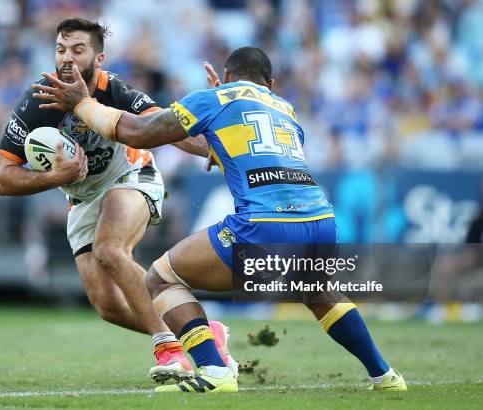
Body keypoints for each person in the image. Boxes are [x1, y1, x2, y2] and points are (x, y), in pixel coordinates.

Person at [32, 46, 408, 393]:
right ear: (270, 83)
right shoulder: (285, 107)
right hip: (322, 221)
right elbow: (247, 141)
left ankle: (214, 369)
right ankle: (385, 375)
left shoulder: (215, 98)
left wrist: (82, 104)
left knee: (161, 278)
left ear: (226, 76)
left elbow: (140, 132)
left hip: (265, 223)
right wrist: (215, 118)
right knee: (317, 291)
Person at [0, 17, 236, 383]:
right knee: (108, 306)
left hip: (131, 175)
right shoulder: (37, 101)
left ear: (99, 58)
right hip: (82, 196)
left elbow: (165, 126)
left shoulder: (117, 90)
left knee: (110, 249)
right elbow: (1, 178)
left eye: (78, 50)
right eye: (61, 49)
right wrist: (54, 178)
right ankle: (203, 332)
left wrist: (210, 145)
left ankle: (171, 349)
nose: (67, 58)